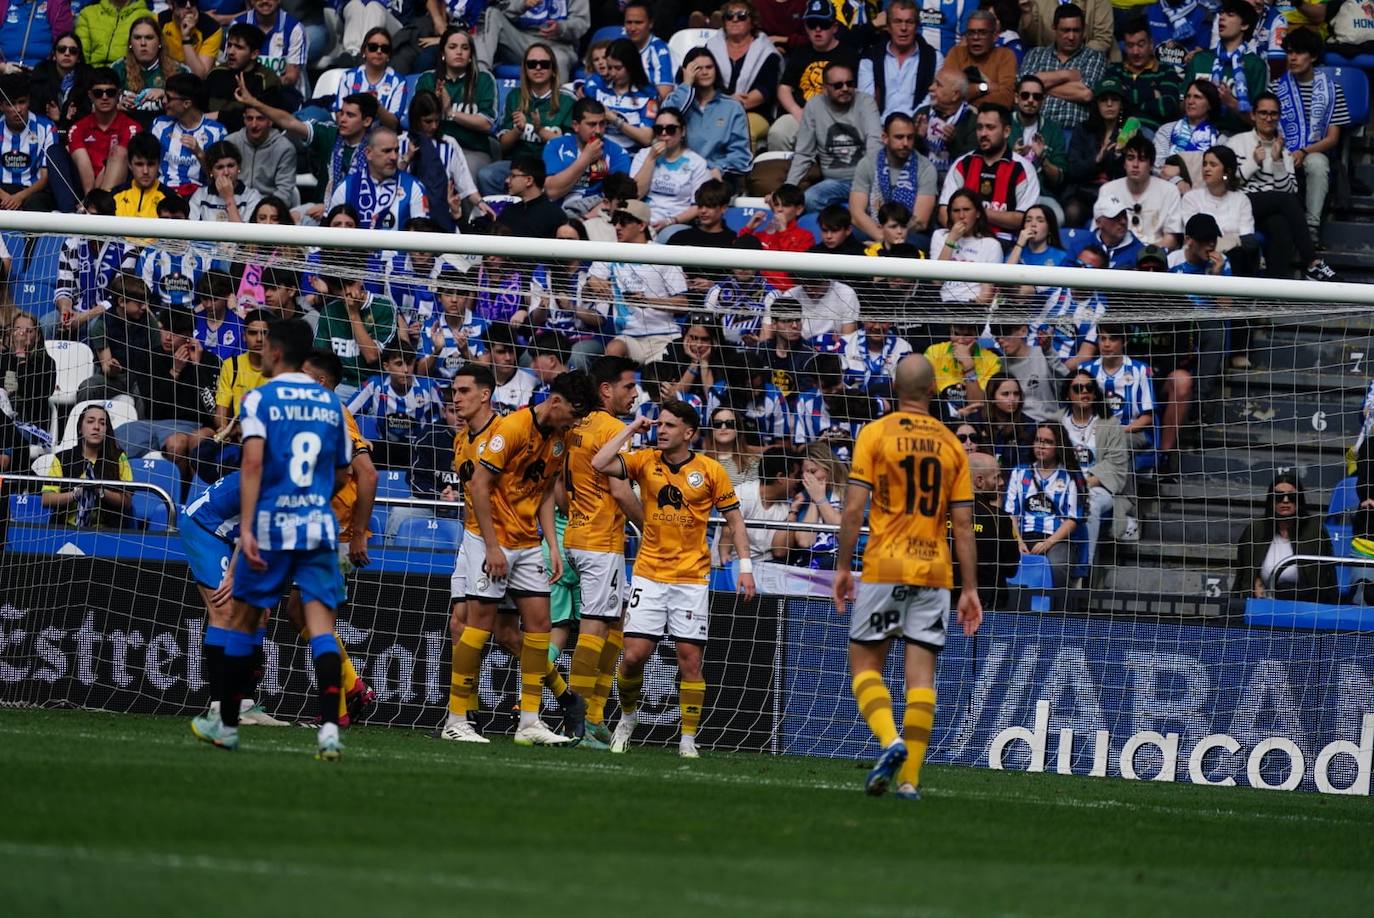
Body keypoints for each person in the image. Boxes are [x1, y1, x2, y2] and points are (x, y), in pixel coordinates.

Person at [189, 318, 352, 758]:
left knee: (243, 622)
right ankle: (330, 732)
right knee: (322, 629)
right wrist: (315, 497)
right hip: (318, 525)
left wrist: (245, 529)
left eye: (262, 349)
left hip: (273, 523)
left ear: (276, 353)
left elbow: (253, 466)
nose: (257, 353)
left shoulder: (259, 398)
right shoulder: (330, 404)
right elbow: (343, 472)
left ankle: (225, 725)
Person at [831, 354, 981, 800]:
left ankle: (890, 740)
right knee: (921, 679)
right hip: (935, 572)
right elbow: (963, 523)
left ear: (894, 389)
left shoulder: (876, 434)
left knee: (865, 666)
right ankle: (910, 780)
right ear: (933, 390)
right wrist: (969, 587)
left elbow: (854, 508)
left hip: (885, 564)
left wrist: (842, 566)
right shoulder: (953, 445)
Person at [593, 399, 756, 758]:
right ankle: (628, 717)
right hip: (649, 574)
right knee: (634, 657)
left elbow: (735, 521)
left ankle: (687, 739)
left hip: (691, 579)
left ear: (689, 432)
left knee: (689, 660)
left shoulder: (711, 470)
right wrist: (632, 429)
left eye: (668, 425)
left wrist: (745, 567)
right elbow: (600, 462)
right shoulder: (644, 460)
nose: (661, 430)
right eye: (659, 425)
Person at [456, 371, 599, 747]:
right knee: (480, 624)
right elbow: (479, 486)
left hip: (527, 541)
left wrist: (552, 545)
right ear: (555, 402)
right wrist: (490, 547)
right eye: (573, 413)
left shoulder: (560, 437)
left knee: (539, 624)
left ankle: (530, 721)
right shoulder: (514, 428)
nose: (575, 422)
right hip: (492, 539)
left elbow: (546, 492)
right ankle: (456, 719)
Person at [560, 355, 645, 748]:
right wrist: (650, 528)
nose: (636, 393)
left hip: (577, 536)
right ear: (606, 389)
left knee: (614, 626)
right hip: (601, 542)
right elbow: (620, 489)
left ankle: (594, 717)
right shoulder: (613, 428)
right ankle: (578, 724)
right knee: (594, 628)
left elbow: (561, 487)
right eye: (629, 386)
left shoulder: (577, 426)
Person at [1227, 92, 1338, 282]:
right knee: (1284, 202)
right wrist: (1253, 163)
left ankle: (1272, 293)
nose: (1268, 118)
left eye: (1273, 114)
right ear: (1253, 115)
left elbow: (1289, 192)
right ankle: (1312, 261)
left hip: (1268, 210)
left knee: (1280, 225)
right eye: (1263, 113)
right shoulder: (1237, 142)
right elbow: (1227, 181)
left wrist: (1278, 161)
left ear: (1279, 117)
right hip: (1241, 203)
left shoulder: (1284, 152)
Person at [1271, 28, 1350, 241]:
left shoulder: (1333, 90)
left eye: (1299, 52)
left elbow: (1332, 139)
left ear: (1313, 56)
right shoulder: (1276, 88)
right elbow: (1265, 127)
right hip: (1280, 148)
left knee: (1316, 164)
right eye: (1289, 53)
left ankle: (1311, 225)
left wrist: (1304, 151)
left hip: (1314, 150)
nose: (1293, 58)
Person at [590, 199, 687, 364]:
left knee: (656, 377)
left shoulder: (664, 255)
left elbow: (683, 304)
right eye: (615, 222)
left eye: (624, 222)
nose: (617, 227)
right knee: (613, 350)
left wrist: (648, 301)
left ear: (641, 226)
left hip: (664, 336)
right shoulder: (610, 252)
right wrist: (592, 282)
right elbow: (593, 279)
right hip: (628, 337)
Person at [786, 59, 881, 212]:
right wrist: (788, 187)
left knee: (879, 207)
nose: (845, 89)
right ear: (824, 89)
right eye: (838, 85)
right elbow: (804, 153)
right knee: (809, 200)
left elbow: (875, 145)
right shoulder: (814, 106)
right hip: (833, 182)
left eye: (850, 83)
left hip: (866, 181)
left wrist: (872, 185)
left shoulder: (866, 102)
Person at [480, 41, 574, 195]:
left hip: (551, 166)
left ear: (553, 69)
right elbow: (502, 146)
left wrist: (540, 130)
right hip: (518, 165)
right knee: (487, 175)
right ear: (525, 69)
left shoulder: (567, 100)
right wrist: (518, 129)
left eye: (544, 64)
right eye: (532, 64)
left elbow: (569, 146)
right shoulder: (514, 97)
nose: (538, 68)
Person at [1060, 371, 1132, 572]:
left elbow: (1116, 464)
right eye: (1077, 388)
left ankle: (1085, 568)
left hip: (1097, 486)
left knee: (1088, 502)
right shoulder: (1056, 421)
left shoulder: (1110, 424)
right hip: (1059, 483)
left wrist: (1082, 484)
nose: (1083, 392)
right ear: (1068, 394)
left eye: (1088, 388)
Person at [1233, 472, 1338, 603]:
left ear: (1299, 500)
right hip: (1264, 604)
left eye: (1292, 496)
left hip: (1305, 606)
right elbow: (1245, 576)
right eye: (1279, 496)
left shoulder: (1314, 531)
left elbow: (1324, 582)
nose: (1285, 500)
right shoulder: (1256, 530)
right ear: (1271, 501)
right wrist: (1256, 581)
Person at [940, 104, 1038, 244]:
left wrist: (976, 212)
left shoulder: (1023, 168)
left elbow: (1023, 219)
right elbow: (944, 211)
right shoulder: (963, 164)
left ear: (1006, 131)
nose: (983, 133)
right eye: (979, 127)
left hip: (1003, 241)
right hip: (963, 240)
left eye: (990, 127)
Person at [1004, 422, 1084, 588]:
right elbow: (1010, 514)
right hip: (1023, 537)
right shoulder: (1019, 473)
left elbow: (1072, 519)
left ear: (1058, 446)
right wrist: (1018, 542)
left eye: (1048, 442)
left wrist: (1048, 543)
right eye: (1038, 440)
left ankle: (1056, 612)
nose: (1041, 446)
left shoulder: (1070, 476)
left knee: (1056, 566)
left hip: (1056, 540)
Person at [312, 250, 399, 399]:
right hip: (338, 387)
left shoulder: (384, 307)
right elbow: (320, 360)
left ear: (360, 278)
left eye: (350, 283)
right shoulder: (330, 311)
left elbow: (372, 356)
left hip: (373, 386)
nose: (347, 292)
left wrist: (353, 314)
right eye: (340, 287)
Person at [663, 47, 752, 191]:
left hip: (715, 177)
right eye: (698, 68)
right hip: (677, 172)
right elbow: (665, 125)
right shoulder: (676, 99)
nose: (705, 72)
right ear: (687, 72)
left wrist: (719, 168)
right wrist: (686, 85)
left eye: (709, 67)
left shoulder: (732, 107)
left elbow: (741, 155)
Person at [416, 27, 497, 175]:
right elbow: (417, 122)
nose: (459, 52)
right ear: (443, 53)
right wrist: (434, 106)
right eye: (452, 47)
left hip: (472, 151)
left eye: (465, 48)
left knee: (463, 175)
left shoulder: (484, 80)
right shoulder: (427, 79)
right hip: (434, 147)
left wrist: (450, 112)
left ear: (471, 55)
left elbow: (486, 124)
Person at [768, 0, 845, 152]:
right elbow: (784, 88)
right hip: (801, 114)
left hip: (836, 117)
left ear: (834, 27)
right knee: (778, 133)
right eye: (812, 24)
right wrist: (796, 111)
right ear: (805, 27)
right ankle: (783, 174)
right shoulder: (800, 52)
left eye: (824, 24)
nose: (817, 29)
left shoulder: (848, 55)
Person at [849, 112, 938, 243]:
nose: (905, 143)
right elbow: (856, 214)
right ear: (885, 137)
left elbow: (920, 221)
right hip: (874, 229)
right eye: (899, 137)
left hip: (908, 234)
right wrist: (881, 238)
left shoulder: (925, 167)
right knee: (849, 233)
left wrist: (893, 237)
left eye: (910, 137)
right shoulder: (867, 163)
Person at [706, 0, 783, 148]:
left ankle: (742, 171)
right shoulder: (711, 47)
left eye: (741, 15)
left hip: (754, 112)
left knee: (742, 130)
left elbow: (763, 92)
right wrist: (725, 102)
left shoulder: (766, 52)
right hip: (713, 107)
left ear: (752, 22)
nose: (735, 19)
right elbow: (704, 84)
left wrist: (729, 104)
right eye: (729, 16)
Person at [1017, 4, 1107, 131]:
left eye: (1076, 30)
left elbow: (1085, 93)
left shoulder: (1094, 57)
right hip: (1035, 128)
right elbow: (1023, 86)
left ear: (1084, 30)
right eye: (1065, 30)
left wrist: (1040, 86)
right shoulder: (1036, 54)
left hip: (1074, 132)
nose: (1071, 37)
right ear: (1054, 28)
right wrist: (1067, 75)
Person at [42, 403, 133, 528]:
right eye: (90, 422)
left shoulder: (119, 458)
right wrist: (76, 494)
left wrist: (100, 491)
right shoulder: (61, 459)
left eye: (102, 423)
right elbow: (47, 499)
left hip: (108, 530)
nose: (96, 427)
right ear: (80, 428)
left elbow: (127, 501)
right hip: (66, 528)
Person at [1184, 0, 1266, 136]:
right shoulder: (1200, 59)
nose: (1222, 18)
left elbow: (1260, 120)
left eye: (1230, 15)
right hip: (1194, 133)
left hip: (1238, 137)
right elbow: (1181, 106)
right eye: (1221, 14)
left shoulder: (1255, 65)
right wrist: (1199, 97)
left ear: (1245, 25)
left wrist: (1231, 102)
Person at [327, 127, 430, 231]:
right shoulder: (346, 186)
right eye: (387, 151)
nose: (394, 157)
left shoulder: (413, 187)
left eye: (396, 150)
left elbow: (422, 234)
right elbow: (330, 229)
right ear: (368, 153)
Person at [542, 97, 632, 213]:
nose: (598, 131)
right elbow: (552, 192)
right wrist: (585, 158)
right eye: (592, 124)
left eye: (602, 124)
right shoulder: (556, 146)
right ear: (575, 125)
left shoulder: (618, 153)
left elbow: (617, 199)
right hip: (556, 212)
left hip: (596, 215)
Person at [856, 0, 941, 123]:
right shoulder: (870, 58)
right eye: (897, 22)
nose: (903, 28)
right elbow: (866, 103)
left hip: (917, 128)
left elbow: (932, 99)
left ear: (917, 26)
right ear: (888, 27)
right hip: (879, 129)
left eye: (909, 22)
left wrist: (909, 126)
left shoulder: (934, 58)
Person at [1180, 144, 1257, 275]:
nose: (1206, 169)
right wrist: (1232, 239)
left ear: (1227, 171)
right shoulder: (1191, 198)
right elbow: (1194, 234)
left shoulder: (1241, 200)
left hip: (1236, 258)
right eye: (1205, 164)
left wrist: (1227, 242)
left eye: (1213, 165)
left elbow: (1247, 239)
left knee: (1242, 253)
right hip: (1199, 254)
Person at [630, 106, 711, 230]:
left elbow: (697, 206)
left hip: (676, 223)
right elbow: (635, 195)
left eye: (670, 129)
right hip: (641, 220)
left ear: (682, 131)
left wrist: (670, 222)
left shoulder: (697, 163)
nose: (664, 133)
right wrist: (651, 159)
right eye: (658, 129)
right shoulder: (643, 155)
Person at [1098, 134, 1183, 251]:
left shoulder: (1170, 191)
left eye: (1142, 159)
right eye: (1130, 158)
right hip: (1117, 253)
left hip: (1155, 254)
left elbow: (1171, 240)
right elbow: (1099, 233)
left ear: (1151, 165)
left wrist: (1144, 254)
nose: (1135, 165)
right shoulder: (1108, 190)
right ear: (1124, 163)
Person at [67, 67, 141, 196]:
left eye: (110, 92)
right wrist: (90, 198)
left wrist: (96, 202)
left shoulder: (132, 128)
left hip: (118, 190)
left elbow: (114, 163)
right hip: (84, 188)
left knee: (119, 152)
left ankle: (99, 207)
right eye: (98, 93)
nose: (105, 97)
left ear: (119, 94)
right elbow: (84, 166)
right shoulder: (78, 128)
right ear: (90, 95)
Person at [962, 450, 1018, 610]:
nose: (1001, 483)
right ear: (979, 481)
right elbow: (1011, 569)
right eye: (997, 477)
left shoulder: (941, 513)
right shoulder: (1000, 519)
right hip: (987, 606)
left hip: (944, 602)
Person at [1107, 17, 1182, 135]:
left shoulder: (1166, 71)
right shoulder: (1115, 71)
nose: (1135, 52)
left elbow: (1168, 108)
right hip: (1116, 131)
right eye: (1130, 45)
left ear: (1151, 44)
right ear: (1124, 47)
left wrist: (1127, 98)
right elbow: (1110, 106)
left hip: (1151, 133)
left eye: (1141, 45)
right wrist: (1152, 94)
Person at [477, 0, 588, 80]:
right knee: (492, 13)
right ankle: (480, 74)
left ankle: (556, 108)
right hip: (521, 41)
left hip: (558, 46)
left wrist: (561, 28)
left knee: (559, 59)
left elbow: (582, 23)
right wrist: (522, 4)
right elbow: (502, 10)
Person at [582, 37, 657, 152]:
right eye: (610, 67)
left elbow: (646, 138)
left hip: (632, 157)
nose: (612, 73)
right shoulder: (596, 87)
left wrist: (613, 119)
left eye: (618, 68)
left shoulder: (648, 94)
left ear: (631, 66)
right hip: (599, 156)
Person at [930, 189, 1002, 305]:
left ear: (978, 213)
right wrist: (952, 239)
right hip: (944, 305)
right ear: (950, 214)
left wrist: (969, 308)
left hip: (974, 306)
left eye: (967, 210)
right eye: (956, 211)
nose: (961, 216)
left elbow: (987, 292)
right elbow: (936, 281)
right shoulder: (940, 236)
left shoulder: (991, 244)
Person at [205, 23, 280, 135]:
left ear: (254, 54)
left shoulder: (267, 79)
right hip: (210, 133)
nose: (230, 52)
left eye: (239, 47)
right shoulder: (216, 73)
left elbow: (259, 119)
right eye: (229, 45)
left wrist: (219, 116)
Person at [233, 0, 306, 108]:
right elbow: (232, 68)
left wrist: (262, 86)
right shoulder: (237, 25)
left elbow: (291, 77)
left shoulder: (294, 28)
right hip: (244, 96)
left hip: (283, 97)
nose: (264, 1)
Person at [0, 73, 56, 212]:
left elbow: (45, 178)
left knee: (37, 203)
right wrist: (5, 197)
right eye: (11, 104)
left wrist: (19, 197)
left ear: (29, 101)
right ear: (1, 106)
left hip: (33, 191)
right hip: (2, 189)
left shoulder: (47, 128)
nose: (18, 110)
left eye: (21, 102)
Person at [226, 97, 298, 205]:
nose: (254, 125)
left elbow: (284, 193)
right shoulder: (231, 142)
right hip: (234, 203)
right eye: (250, 118)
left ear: (270, 121)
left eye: (260, 119)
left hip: (268, 209)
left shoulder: (284, 148)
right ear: (244, 119)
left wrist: (261, 210)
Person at [940, 9, 1016, 109]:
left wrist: (968, 101)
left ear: (994, 36)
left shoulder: (1005, 56)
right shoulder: (956, 53)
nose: (976, 37)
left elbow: (1007, 98)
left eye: (982, 33)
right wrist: (983, 87)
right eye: (971, 32)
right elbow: (947, 94)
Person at [111, 15, 179, 126]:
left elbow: (192, 109)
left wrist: (166, 95)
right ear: (130, 44)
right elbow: (95, 108)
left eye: (149, 37)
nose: (143, 43)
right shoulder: (117, 69)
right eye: (137, 38)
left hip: (167, 132)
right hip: (126, 130)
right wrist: (115, 107)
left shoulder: (179, 71)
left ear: (160, 42)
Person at [1010, 74, 1068, 197]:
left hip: (1041, 196)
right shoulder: (1003, 124)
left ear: (1043, 101)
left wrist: (1042, 159)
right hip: (1006, 194)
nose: (1031, 100)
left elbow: (1059, 179)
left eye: (1037, 97)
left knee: (1059, 216)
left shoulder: (1053, 130)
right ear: (1016, 98)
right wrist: (1012, 157)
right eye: (1025, 95)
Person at [913, 68, 976, 178]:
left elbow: (971, 165)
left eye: (938, 84)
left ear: (955, 95)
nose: (931, 88)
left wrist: (952, 143)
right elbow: (907, 155)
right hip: (921, 179)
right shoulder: (922, 113)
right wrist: (918, 137)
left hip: (955, 182)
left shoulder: (972, 121)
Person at [188, 140, 262, 222]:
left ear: (239, 167)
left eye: (230, 166)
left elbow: (244, 234)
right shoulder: (200, 196)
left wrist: (228, 197)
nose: (226, 172)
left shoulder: (251, 197)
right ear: (211, 171)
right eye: (220, 167)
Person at [981, 373, 1036, 470]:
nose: (1012, 399)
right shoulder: (978, 420)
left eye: (1016, 394)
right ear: (992, 397)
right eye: (1006, 394)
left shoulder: (1028, 425)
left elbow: (1024, 464)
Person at [76, 0, 150, 70]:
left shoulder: (146, 17)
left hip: (127, 76)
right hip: (91, 76)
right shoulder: (88, 14)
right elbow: (82, 57)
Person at [160, 0, 221, 79]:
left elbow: (199, 76)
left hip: (193, 84)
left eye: (193, 1)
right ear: (171, 5)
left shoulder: (211, 28)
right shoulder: (160, 20)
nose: (188, 6)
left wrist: (186, 38)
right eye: (182, 2)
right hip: (167, 76)